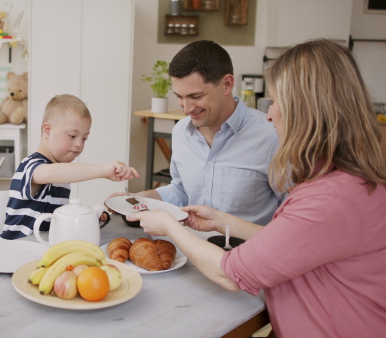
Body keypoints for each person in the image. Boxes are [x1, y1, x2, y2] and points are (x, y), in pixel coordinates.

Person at [128, 39, 386, 337]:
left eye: (276, 102)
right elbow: (294, 238)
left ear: (308, 110)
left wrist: (169, 226)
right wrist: (225, 221)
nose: (269, 114)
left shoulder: (330, 199)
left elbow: (232, 274)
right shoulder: (343, 183)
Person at [110, 40, 284, 226]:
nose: (186, 109)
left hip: (246, 251)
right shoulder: (181, 132)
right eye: (179, 97)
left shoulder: (272, 136)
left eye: (196, 96)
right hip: (191, 246)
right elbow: (182, 191)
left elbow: (292, 214)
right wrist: (143, 198)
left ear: (226, 84)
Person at [0, 94, 139, 240]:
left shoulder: (62, 177)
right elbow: (48, 174)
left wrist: (91, 216)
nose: (79, 144)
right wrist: (103, 171)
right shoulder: (30, 165)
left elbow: (55, 220)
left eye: (84, 138)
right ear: (47, 130)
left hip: (42, 249)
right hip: (14, 248)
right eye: (72, 136)